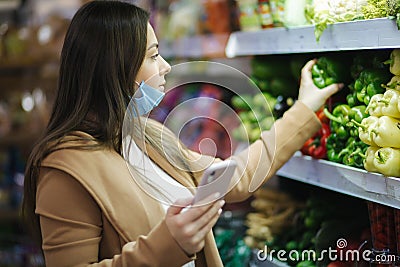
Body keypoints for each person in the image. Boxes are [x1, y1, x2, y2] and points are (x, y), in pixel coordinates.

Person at [22, 1, 341, 266]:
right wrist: (168, 244)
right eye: (152, 56)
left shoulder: (145, 136)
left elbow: (236, 179)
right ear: (115, 68)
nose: (165, 67)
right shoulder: (64, 172)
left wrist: (303, 109)